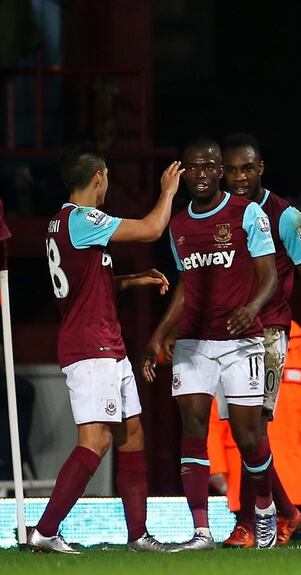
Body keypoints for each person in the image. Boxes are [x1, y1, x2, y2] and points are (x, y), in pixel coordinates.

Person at [27, 144, 183, 553]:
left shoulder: (59, 225)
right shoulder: (84, 218)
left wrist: (133, 280)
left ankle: (138, 536)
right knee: (94, 441)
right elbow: (151, 229)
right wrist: (167, 192)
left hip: (106, 345)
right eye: (108, 177)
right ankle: (44, 531)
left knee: (132, 436)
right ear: (99, 177)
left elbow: (86, 284)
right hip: (91, 346)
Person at [141, 138, 280, 550]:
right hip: (193, 343)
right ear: (182, 172)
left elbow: (268, 274)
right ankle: (201, 530)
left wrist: (251, 306)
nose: (200, 175)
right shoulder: (179, 224)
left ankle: (266, 506)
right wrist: (159, 335)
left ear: (220, 171)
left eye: (208, 167)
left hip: (241, 342)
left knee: (248, 437)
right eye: (192, 168)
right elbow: (186, 283)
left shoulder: (247, 214)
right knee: (193, 429)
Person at [210, 133, 301, 548]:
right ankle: (286, 512)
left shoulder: (287, 217)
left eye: (246, 168)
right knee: (241, 433)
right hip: (224, 335)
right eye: (230, 169)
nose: (238, 177)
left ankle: (252, 523)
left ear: (260, 168)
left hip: (267, 333)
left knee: (253, 431)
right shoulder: (213, 214)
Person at [208, 320, 301, 540]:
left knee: (297, 559)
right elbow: (215, 415)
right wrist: (216, 466)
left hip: (297, 474)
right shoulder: (231, 350)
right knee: (248, 556)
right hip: (244, 472)